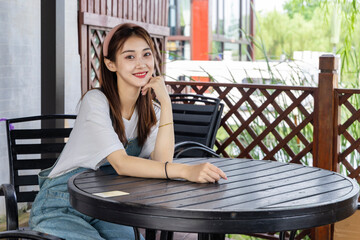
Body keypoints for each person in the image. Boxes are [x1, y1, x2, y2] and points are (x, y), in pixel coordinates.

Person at [29, 23, 227, 240]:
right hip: (62, 202)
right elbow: (121, 164)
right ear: (111, 64)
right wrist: (187, 171)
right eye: (130, 57)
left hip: (106, 205)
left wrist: (167, 104)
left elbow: (162, 161)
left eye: (146, 54)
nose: (141, 64)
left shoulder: (153, 111)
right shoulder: (96, 102)